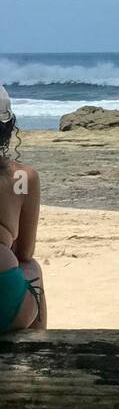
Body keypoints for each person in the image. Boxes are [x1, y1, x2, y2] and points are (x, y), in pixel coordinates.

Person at [0, 84, 47, 331]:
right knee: (31, 266)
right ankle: (40, 349)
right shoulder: (22, 178)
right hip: (5, 303)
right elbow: (25, 252)